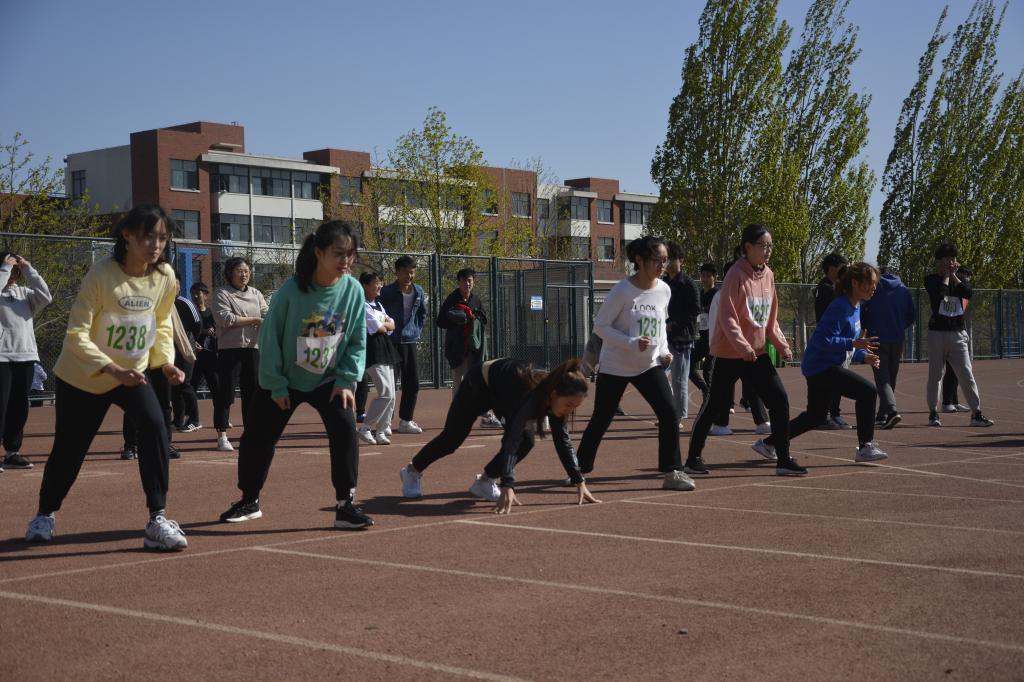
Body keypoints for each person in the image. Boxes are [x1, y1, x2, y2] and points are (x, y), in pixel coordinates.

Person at [25, 204, 187, 550]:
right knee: (70, 448)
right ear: (127, 235)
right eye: (148, 237)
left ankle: (157, 518)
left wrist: (165, 363)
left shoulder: (165, 276)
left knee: (156, 427)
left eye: (163, 238)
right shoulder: (101, 275)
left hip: (134, 373)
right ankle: (45, 514)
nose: (156, 245)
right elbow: (76, 334)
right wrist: (112, 368)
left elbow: (161, 322)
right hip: (84, 375)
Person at [219, 220, 372, 530]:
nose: (346, 261)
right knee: (257, 438)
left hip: (329, 378)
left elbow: (357, 338)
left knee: (345, 428)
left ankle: (345, 505)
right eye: (338, 253)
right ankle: (249, 499)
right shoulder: (291, 291)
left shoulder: (353, 290)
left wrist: (347, 380)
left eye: (351, 254)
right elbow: (270, 340)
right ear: (319, 253)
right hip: (285, 379)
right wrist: (275, 385)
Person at [574, 236, 695, 491]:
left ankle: (672, 471)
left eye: (665, 260)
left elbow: (660, 326)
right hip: (615, 366)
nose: (662, 265)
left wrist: (664, 352)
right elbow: (601, 327)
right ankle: (578, 469)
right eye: (657, 260)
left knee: (669, 413)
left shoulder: (664, 290)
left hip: (648, 366)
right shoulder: (622, 291)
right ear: (639, 260)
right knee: (601, 418)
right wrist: (631, 342)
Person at [399, 358, 598, 511]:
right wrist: (508, 485)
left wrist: (578, 480)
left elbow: (562, 440)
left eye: (575, 407)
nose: (570, 410)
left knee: (527, 442)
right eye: (569, 404)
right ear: (554, 394)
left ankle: (485, 481)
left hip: (503, 389)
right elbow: (511, 439)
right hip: (479, 384)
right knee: (452, 439)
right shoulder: (528, 396)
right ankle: (412, 471)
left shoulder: (556, 400)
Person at [685, 224, 805, 477]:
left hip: (757, 354)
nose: (768, 250)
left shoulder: (768, 275)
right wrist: (743, 346)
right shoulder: (735, 275)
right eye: (763, 245)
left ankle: (783, 459)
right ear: (747, 247)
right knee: (714, 405)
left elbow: (770, 319)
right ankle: (693, 458)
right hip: (730, 354)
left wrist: (782, 346)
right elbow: (727, 317)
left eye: (770, 245)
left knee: (780, 400)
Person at [758, 263, 888, 464]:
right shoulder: (840, 307)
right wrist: (853, 344)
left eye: (875, 283)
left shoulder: (856, 307)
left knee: (815, 416)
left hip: (825, 366)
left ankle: (768, 444)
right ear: (855, 283)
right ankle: (865, 446)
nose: (874, 287)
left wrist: (862, 355)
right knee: (868, 392)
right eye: (870, 282)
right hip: (821, 367)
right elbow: (822, 340)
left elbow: (847, 343)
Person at [924, 244, 992, 427]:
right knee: (936, 374)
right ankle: (933, 413)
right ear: (939, 262)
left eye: (953, 259)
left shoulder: (959, 279)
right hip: (937, 334)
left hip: (957, 334)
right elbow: (939, 297)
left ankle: (976, 414)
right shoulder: (931, 280)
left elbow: (968, 293)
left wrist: (954, 276)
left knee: (966, 374)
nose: (950, 262)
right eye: (946, 259)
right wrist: (946, 277)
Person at [1, 251, 52, 470]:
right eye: (9, 269)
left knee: (19, 406)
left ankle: (12, 452)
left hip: (26, 355)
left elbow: (46, 296)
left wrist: (29, 270)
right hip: (2, 357)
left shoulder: (25, 293)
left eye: (15, 270)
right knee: (1, 405)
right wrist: (4, 269)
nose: (13, 274)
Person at [212, 256, 268, 451]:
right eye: (239, 271)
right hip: (230, 349)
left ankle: (251, 433)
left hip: (253, 348)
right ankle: (222, 435)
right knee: (225, 393)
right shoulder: (222, 293)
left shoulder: (256, 293)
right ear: (229, 274)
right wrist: (254, 319)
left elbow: (266, 313)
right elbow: (224, 319)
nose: (244, 275)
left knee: (252, 393)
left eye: (246, 271)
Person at [437, 267, 500, 428]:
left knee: (478, 381)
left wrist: (473, 317)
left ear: (474, 282)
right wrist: (458, 318)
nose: (467, 283)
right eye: (464, 280)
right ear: (458, 282)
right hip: (457, 348)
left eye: (470, 280)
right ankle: (456, 416)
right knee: (458, 381)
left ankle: (486, 416)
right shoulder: (452, 299)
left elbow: (483, 319)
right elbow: (440, 321)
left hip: (474, 348)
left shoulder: (475, 300)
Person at [860, 267, 916, 429]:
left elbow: (864, 311)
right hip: (897, 338)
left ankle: (891, 411)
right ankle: (883, 414)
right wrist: (899, 327)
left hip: (877, 338)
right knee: (891, 376)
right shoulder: (903, 289)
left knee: (882, 377)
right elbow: (911, 315)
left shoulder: (874, 288)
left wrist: (866, 328)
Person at [379, 255, 428, 434]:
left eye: (412, 272)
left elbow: (422, 313)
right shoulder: (386, 292)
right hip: (390, 341)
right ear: (397, 273)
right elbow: (377, 312)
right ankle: (385, 423)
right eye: (406, 272)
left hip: (410, 341)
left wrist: (416, 330)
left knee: (412, 383)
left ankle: (406, 420)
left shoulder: (419, 291)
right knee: (390, 384)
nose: (409, 276)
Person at [356, 271, 397, 446]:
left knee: (392, 395)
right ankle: (365, 428)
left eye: (381, 282)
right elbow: (377, 328)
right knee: (385, 394)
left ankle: (381, 430)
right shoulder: (362, 306)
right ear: (365, 286)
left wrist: (385, 325)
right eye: (376, 282)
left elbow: (392, 325)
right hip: (373, 352)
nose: (380, 285)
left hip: (386, 350)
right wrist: (386, 325)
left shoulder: (379, 305)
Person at [663, 241, 700, 423]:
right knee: (660, 377)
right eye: (665, 259)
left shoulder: (688, 284)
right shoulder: (662, 283)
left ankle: (678, 416)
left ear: (681, 260)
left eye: (672, 259)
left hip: (682, 337)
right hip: (664, 337)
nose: (668, 263)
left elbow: (694, 311)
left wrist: (675, 324)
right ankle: (670, 412)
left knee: (679, 379)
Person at [814, 253, 850, 429]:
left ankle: (833, 413)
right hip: (830, 341)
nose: (846, 271)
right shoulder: (826, 289)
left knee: (837, 379)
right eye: (843, 268)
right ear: (832, 269)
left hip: (837, 340)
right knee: (832, 379)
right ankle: (827, 414)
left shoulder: (834, 288)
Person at [941, 265, 973, 413]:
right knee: (951, 371)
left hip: (959, 332)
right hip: (948, 334)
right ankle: (947, 402)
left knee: (956, 372)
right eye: (965, 276)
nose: (967, 280)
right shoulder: (951, 288)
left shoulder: (963, 291)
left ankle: (954, 401)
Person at [172, 281, 202, 432]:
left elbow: (198, 324)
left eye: (175, 283)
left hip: (186, 349)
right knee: (174, 384)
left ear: (179, 287)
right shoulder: (161, 301)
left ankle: (194, 420)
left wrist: (191, 341)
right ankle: (178, 420)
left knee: (185, 383)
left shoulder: (184, 303)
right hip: (170, 350)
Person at [688, 262, 717, 402]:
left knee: (707, 370)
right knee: (688, 364)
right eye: (703, 275)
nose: (704, 279)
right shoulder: (699, 294)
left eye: (708, 276)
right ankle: (706, 390)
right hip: (703, 338)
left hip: (715, 339)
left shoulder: (717, 295)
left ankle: (711, 400)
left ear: (714, 277)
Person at [189, 282, 219, 401]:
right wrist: (204, 331)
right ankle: (190, 411)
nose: (195, 296)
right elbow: (186, 331)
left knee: (216, 388)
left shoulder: (212, 313)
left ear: (206, 295)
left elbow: (218, 330)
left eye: (198, 293)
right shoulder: (190, 313)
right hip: (195, 356)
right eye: (193, 294)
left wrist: (215, 332)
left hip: (211, 355)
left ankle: (220, 413)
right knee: (191, 387)